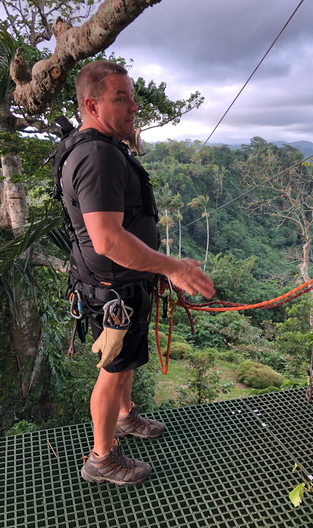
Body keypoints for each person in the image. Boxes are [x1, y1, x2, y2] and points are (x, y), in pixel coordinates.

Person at [61, 60, 215, 487]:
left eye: (132, 97)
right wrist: (174, 268)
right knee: (112, 370)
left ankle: (126, 417)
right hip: (113, 288)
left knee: (125, 361)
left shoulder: (99, 145)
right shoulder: (96, 156)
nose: (132, 108)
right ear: (91, 104)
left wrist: (157, 270)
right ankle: (102, 457)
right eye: (120, 98)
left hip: (123, 282)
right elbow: (108, 239)